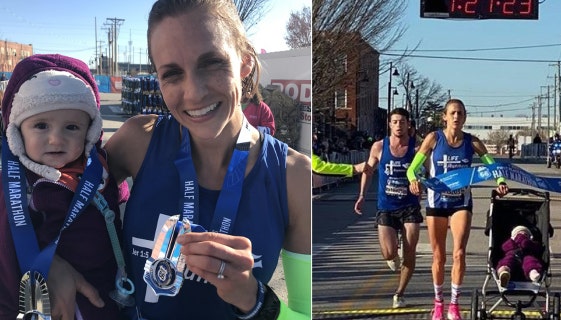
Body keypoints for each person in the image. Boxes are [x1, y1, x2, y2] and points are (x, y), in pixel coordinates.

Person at [47, 1, 311, 319]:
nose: (194, 92)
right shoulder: (139, 140)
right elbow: (43, 198)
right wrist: (51, 263)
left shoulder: (292, 177)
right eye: (172, 74)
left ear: (245, 63)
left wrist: (254, 299)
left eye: (211, 63)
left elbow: (302, 313)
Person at [0, 54, 127, 319]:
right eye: (41, 125)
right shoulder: (17, 185)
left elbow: (121, 205)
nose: (56, 138)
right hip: (46, 301)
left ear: (90, 133)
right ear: (16, 133)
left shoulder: (99, 172)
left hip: (104, 292)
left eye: (71, 127)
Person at [406, 99, 508, 320]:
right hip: (437, 203)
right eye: (452, 113)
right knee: (438, 256)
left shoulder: (472, 142)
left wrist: (500, 180)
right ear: (444, 116)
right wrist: (414, 179)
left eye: (460, 113)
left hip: (461, 203)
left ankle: (454, 303)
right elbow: (412, 168)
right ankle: (439, 303)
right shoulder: (434, 139)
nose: (456, 117)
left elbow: (492, 166)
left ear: (465, 117)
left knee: (459, 253)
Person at [354, 108, 423, 309]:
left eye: (402, 122)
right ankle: (392, 257)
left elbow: (428, 173)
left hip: (410, 205)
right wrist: (361, 195)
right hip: (386, 206)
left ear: (408, 124)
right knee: (389, 253)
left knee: (410, 252)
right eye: (395, 121)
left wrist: (423, 185)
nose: (399, 125)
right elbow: (368, 170)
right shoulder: (378, 146)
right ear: (389, 124)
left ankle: (399, 293)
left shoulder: (416, 149)